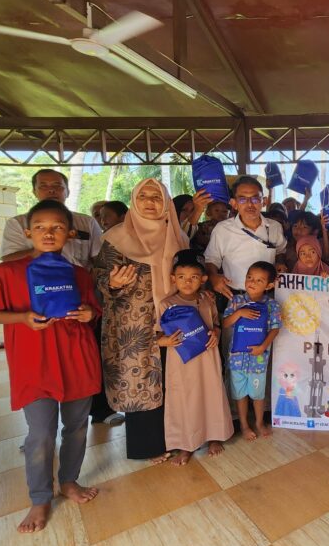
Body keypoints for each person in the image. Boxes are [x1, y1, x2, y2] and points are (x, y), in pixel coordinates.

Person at [0, 199, 101, 533]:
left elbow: (93, 309)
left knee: (77, 426)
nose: (49, 233)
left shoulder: (78, 273)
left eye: (57, 227)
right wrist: (22, 318)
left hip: (76, 358)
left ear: (69, 233)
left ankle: (69, 481)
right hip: (34, 363)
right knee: (41, 432)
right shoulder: (7, 273)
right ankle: (40, 497)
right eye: (40, 227)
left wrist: (89, 313)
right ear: (28, 232)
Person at [94, 178, 189, 462]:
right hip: (132, 324)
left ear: (166, 203)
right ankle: (146, 446)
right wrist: (112, 283)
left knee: (171, 380)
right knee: (141, 382)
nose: (150, 202)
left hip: (172, 318)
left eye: (157, 197)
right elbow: (98, 277)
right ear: (134, 201)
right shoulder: (116, 238)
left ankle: (175, 437)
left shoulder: (178, 237)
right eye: (143, 196)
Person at [156, 250, 233, 465]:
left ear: (204, 279)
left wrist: (216, 332)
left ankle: (215, 436)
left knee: (211, 393)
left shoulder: (207, 299)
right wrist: (165, 341)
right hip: (182, 362)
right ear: (173, 278)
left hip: (208, 357)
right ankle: (186, 444)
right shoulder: (166, 304)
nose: (187, 282)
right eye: (181, 277)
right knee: (185, 399)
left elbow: (215, 324)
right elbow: (157, 336)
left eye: (193, 277)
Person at [205, 176, 288, 304]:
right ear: (234, 204)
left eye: (255, 198)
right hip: (234, 298)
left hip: (268, 297)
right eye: (242, 199)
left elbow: (280, 251)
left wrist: (280, 263)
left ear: (264, 201)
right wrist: (213, 277)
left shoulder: (274, 227)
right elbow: (211, 259)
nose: (250, 204)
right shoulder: (222, 229)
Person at [224, 261, 282, 439]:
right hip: (237, 359)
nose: (252, 282)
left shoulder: (272, 305)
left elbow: (275, 328)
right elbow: (225, 323)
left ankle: (259, 422)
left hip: (258, 359)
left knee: (258, 394)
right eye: (250, 277)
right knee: (239, 393)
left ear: (269, 285)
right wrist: (239, 313)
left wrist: (263, 347)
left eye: (259, 280)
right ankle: (243, 424)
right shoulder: (236, 301)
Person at [0, 169, 102, 269]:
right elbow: (8, 259)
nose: (51, 190)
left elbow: (101, 260)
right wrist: (39, 251)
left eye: (57, 185)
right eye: (43, 186)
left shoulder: (88, 222)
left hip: (78, 279)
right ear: (34, 192)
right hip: (33, 279)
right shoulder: (17, 223)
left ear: (68, 192)